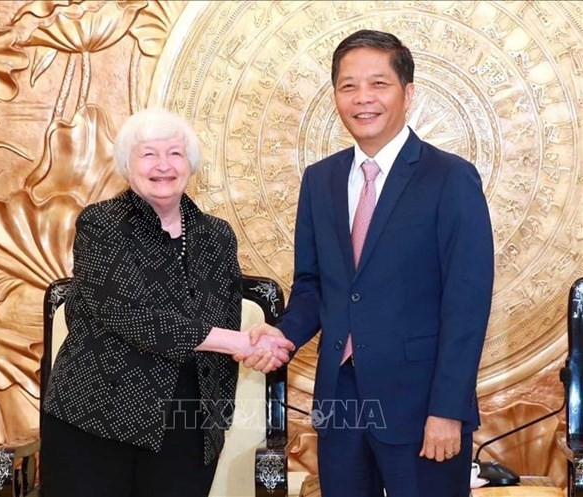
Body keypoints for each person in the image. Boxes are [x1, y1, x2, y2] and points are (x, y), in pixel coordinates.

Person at [242, 29, 494, 497]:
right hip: (341, 401)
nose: (363, 99)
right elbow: (314, 285)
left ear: (408, 93)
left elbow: (468, 304)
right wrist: (284, 333)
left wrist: (448, 409)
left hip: (422, 406)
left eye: (378, 84)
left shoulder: (450, 177)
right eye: (348, 85)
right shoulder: (320, 180)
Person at [40, 108, 294, 497]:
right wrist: (238, 343)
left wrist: (255, 341)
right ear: (128, 164)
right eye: (148, 154)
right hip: (95, 419)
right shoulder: (101, 224)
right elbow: (129, 315)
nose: (163, 165)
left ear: (190, 164)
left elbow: (224, 320)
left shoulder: (216, 236)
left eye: (175, 153)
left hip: (188, 424)